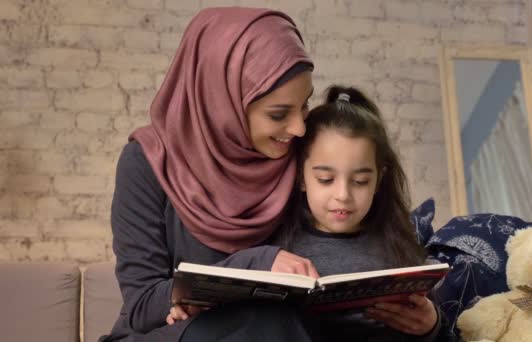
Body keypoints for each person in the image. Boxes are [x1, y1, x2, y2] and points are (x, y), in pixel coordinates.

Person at [101, 7, 320, 342]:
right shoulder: (146, 163)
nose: (299, 128)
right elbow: (143, 306)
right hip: (168, 335)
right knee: (266, 323)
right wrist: (259, 262)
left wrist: (428, 322)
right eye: (278, 114)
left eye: (304, 105)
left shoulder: (297, 158)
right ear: (222, 102)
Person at [274, 85, 441, 341]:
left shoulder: (397, 246)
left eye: (360, 181)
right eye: (326, 179)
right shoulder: (281, 247)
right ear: (301, 177)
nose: (343, 195)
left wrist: (431, 326)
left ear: (378, 180)